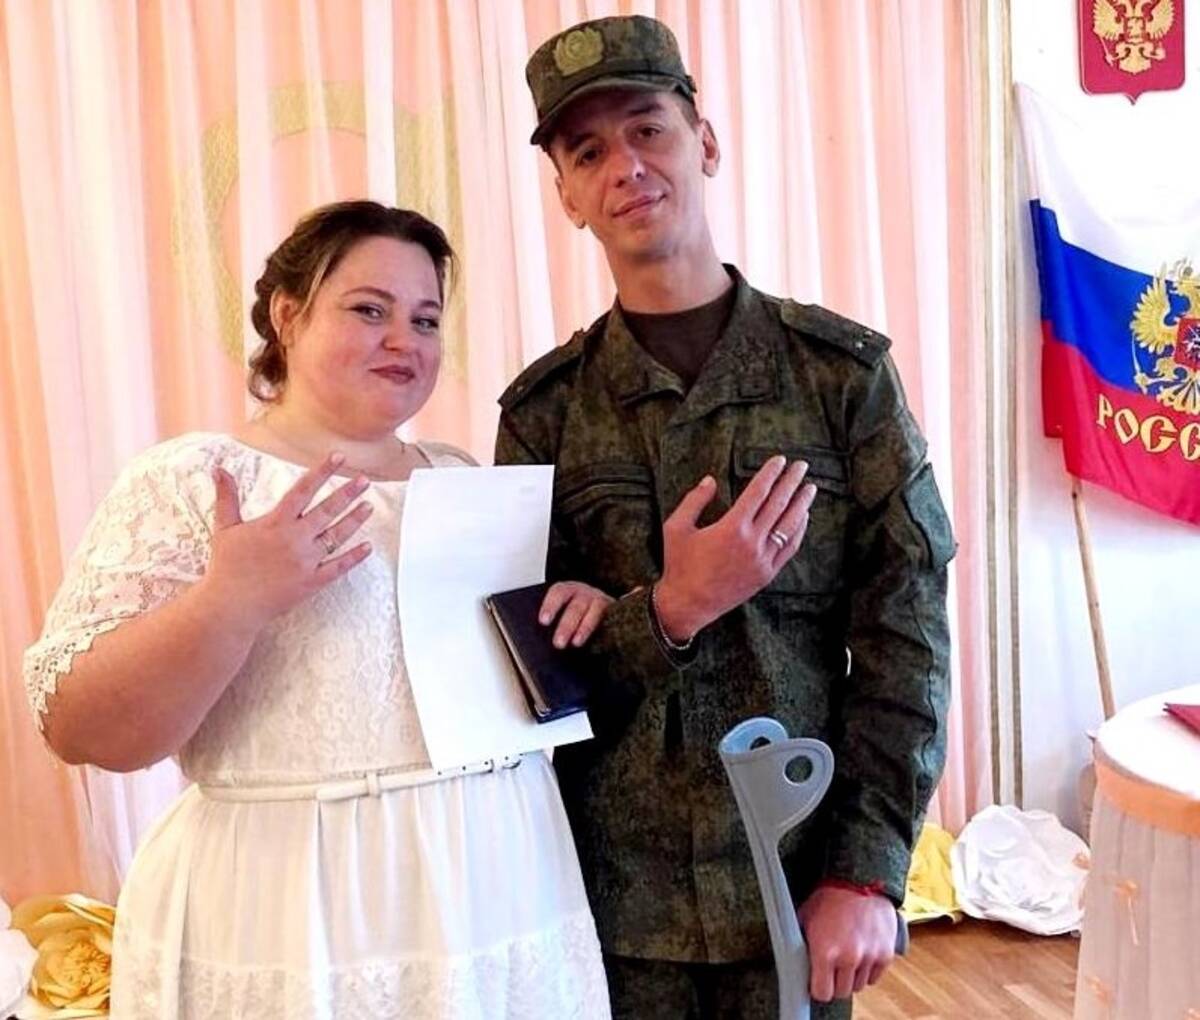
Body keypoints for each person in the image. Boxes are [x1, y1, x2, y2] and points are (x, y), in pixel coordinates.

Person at [23, 201, 613, 1019]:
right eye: (369, 310)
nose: (404, 340)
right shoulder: (198, 480)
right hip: (291, 901)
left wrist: (569, 615)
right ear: (288, 315)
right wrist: (229, 601)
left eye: (425, 319)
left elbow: (496, 686)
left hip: (495, 877)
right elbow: (78, 729)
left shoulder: (462, 477)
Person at [494, 16, 954, 1019]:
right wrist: (668, 610)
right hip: (612, 906)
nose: (625, 166)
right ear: (567, 195)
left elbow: (906, 636)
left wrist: (866, 870)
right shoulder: (544, 414)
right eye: (587, 152)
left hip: (796, 883)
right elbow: (528, 683)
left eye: (648, 129)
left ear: (704, 141)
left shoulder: (841, 379)